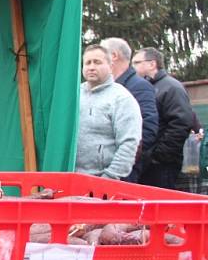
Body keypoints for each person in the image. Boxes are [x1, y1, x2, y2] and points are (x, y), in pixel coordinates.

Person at [76, 45, 141, 179]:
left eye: (97, 62)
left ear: (110, 66)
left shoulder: (122, 98)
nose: (91, 67)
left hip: (104, 181)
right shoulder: (73, 95)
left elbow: (129, 143)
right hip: (72, 177)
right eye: (87, 63)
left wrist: (110, 177)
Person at [132, 47, 193, 189]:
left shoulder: (171, 88)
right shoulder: (145, 88)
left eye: (136, 63)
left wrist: (157, 156)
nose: (132, 67)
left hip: (162, 165)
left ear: (152, 64)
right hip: (146, 162)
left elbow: (181, 123)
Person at [100, 38, 158, 182]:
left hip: (124, 171)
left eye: (101, 55)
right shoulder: (103, 88)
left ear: (113, 56)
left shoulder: (139, 87)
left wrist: (123, 159)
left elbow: (148, 130)